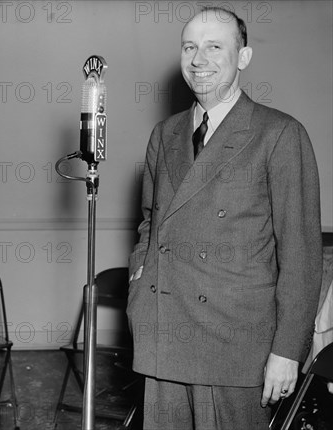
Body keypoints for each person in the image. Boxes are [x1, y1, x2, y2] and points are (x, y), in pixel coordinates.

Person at [126, 7, 322, 430]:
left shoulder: (279, 134)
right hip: (165, 335)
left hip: (236, 348)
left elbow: (301, 254)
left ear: (244, 57)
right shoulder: (165, 133)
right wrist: (140, 282)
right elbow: (150, 223)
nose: (200, 60)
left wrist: (287, 351)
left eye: (215, 46)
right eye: (190, 47)